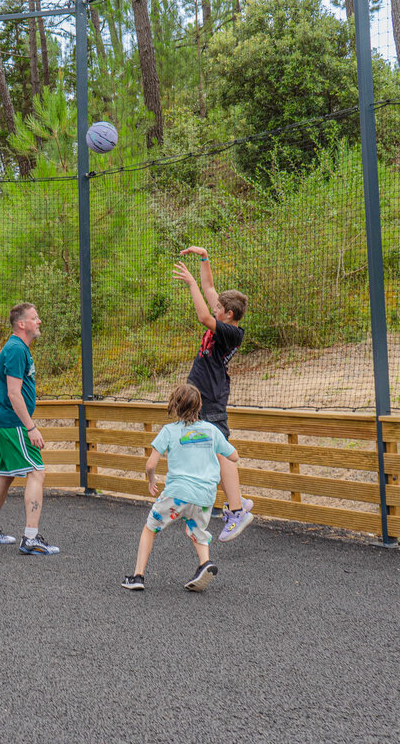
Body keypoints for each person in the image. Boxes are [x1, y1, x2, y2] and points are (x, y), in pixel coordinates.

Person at [122, 384, 241, 592]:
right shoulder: (212, 431)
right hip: (205, 496)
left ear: (175, 406)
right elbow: (234, 456)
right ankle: (205, 563)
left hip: (177, 494)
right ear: (200, 405)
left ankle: (138, 575)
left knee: (151, 526)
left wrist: (151, 479)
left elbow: (150, 464)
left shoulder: (169, 431)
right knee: (197, 530)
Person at [174, 246, 254, 541]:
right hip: (201, 395)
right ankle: (232, 502)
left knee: (222, 451)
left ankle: (237, 510)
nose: (215, 307)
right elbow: (209, 288)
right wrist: (204, 257)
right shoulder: (225, 317)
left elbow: (205, 317)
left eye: (219, 307)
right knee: (207, 449)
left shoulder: (231, 332)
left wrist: (191, 284)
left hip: (212, 396)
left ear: (228, 314)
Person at [0, 303, 59, 555]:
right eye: (34, 318)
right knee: (37, 472)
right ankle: (31, 537)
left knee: (6, 474)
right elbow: (13, 393)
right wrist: (31, 427)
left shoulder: (18, 348)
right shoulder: (15, 349)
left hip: (5, 421)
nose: (39, 321)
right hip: (13, 422)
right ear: (21, 324)